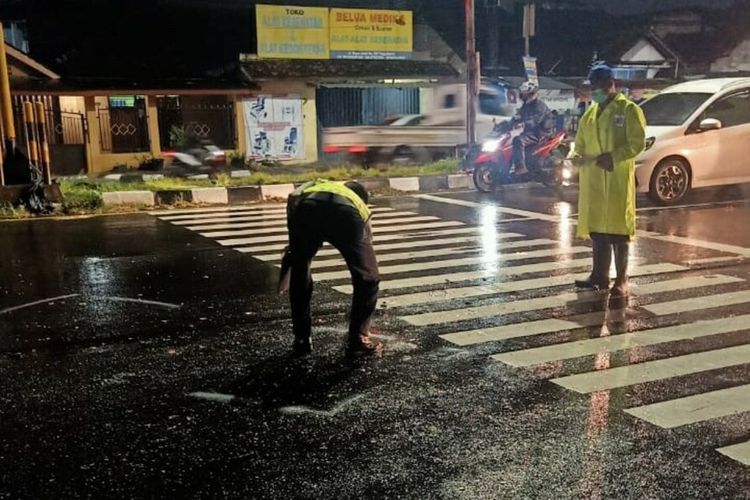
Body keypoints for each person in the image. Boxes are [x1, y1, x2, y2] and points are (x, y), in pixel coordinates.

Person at [280, 179, 381, 356]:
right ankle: (358, 338)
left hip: (308, 209)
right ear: (361, 198)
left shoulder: (313, 184)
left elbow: (292, 201)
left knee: (300, 271)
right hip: (345, 215)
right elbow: (367, 243)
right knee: (368, 278)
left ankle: (302, 338)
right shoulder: (358, 204)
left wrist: (295, 248)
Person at [573, 63, 647, 297]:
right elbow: (579, 145)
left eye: (599, 86)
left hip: (616, 177)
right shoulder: (589, 114)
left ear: (610, 84)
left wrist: (613, 157)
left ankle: (622, 279)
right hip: (593, 179)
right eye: (593, 86)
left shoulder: (628, 110)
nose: (595, 91)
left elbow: (637, 143)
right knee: (598, 230)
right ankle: (599, 275)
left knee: (618, 230)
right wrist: (574, 156)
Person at [511, 81, 552, 176]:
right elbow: (518, 116)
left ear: (532, 94)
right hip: (530, 133)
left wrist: (523, 124)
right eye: (523, 94)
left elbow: (534, 121)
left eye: (526, 94)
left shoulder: (539, 106)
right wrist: (505, 124)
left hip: (540, 134)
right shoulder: (526, 106)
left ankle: (520, 168)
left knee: (518, 140)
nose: (524, 97)